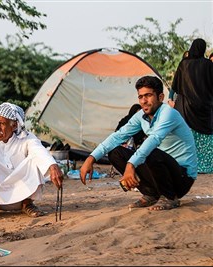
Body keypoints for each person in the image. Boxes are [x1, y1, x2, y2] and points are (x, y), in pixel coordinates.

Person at [80, 76, 197, 211]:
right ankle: (150, 194)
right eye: (140, 97)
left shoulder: (169, 113)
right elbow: (117, 136)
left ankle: (170, 197)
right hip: (160, 173)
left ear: (160, 97)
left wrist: (131, 165)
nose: (144, 101)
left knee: (149, 150)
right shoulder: (141, 116)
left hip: (182, 177)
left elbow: (154, 139)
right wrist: (91, 158)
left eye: (148, 96)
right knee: (115, 152)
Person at [0, 102, 64, 220]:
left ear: (14, 126)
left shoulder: (27, 138)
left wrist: (53, 166)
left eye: (1, 123)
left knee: (36, 159)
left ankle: (27, 204)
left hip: (22, 193)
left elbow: (39, 150)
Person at [170, 38, 213, 174]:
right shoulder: (208, 65)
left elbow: (176, 86)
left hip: (185, 109)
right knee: (205, 138)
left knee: (186, 138)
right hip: (204, 109)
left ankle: (186, 163)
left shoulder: (184, 64)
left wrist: (171, 99)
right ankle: (205, 166)